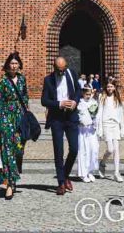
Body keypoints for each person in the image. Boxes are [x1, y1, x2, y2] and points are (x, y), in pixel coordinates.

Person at [41, 55, 82, 195]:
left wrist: (75, 102)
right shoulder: (48, 80)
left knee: (75, 149)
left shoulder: (72, 74)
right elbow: (44, 100)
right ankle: (60, 183)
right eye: (58, 69)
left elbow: (78, 91)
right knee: (58, 152)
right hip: (57, 119)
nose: (61, 72)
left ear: (66, 66)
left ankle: (65, 175)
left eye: (63, 69)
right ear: (54, 67)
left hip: (71, 117)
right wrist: (59, 104)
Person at [0, 51, 28, 200]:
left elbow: (25, 98)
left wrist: (27, 116)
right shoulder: (3, 82)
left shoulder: (23, 80)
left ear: (19, 65)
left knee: (18, 150)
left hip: (19, 117)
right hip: (6, 118)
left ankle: (13, 175)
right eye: (11, 63)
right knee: (8, 150)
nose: (13, 66)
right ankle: (10, 185)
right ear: (8, 65)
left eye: (16, 63)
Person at [97, 77, 124, 182]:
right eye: (108, 86)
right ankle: (102, 163)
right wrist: (99, 128)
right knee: (110, 149)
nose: (110, 88)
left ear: (114, 87)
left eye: (111, 86)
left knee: (116, 150)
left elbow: (121, 113)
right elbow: (99, 113)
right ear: (106, 87)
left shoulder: (117, 97)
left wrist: (122, 128)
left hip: (115, 124)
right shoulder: (101, 97)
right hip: (106, 124)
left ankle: (116, 172)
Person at [76, 85, 99, 182]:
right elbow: (77, 116)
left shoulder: (94, 103)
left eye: (89, 94)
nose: (88, 96)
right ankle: (83, 173)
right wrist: (80, 121)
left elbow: (97, 116)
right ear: (83, 93)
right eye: (86, 94)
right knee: (83, 151)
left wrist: (95, 123)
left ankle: (90, 171)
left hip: (91, 131)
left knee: (93, 150)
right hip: (82, 131)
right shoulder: (79, 103)